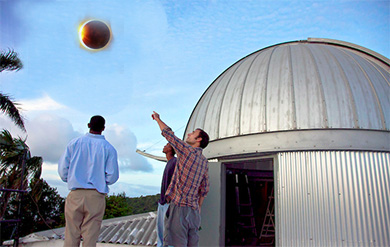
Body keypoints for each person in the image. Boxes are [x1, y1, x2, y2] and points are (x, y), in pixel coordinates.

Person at [58, 115, 119, 247]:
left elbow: (63, 170)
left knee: (71, 233)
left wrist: (71, 179)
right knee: (91, 235)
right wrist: (101, 180)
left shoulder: (74, 143)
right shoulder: (109, 148)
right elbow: (112, 176)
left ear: (88, 125)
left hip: (76, 193)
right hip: (96, 195)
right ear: (103, 128)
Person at [152, 111, 209, 247]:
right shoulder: (204, 161)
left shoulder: (187, 152)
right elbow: (204, 188)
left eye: (193, 133)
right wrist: (198, 208)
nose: (189, 134)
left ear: (198, 140)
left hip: (179, 208)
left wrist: (158, 119)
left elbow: (168, 133)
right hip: (194, 212)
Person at [157, 143, 177, 247]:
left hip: (168, 203)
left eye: (167, 145)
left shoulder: (174, 162)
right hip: (163, 202)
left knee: (166, 231)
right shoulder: (170, 162)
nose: (164, 146)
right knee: (161, 231)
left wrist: (170, 198)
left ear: (170, 149)